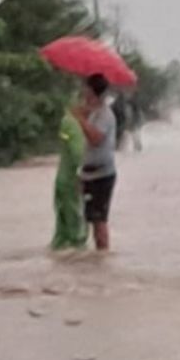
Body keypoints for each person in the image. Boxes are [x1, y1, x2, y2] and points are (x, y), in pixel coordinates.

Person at [72, 74, 118, 251]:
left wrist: (81, 120)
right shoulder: (92, 112)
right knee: (90, 218)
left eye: (85, 87)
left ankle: (103, 252)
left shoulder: (105, 115)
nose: (82, 91)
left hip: (103, 174)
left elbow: (96, 138)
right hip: (88, 173)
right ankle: (98, 256)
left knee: (99, 220)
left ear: (92, 90)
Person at [51, 109, 90, 251]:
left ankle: (60, 248)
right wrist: (82, 174)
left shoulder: (66, 121)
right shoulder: (74, 124)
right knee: (76, 227)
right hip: (71, 180)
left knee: (62, 223)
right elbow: (77, 153)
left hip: (62, 179)